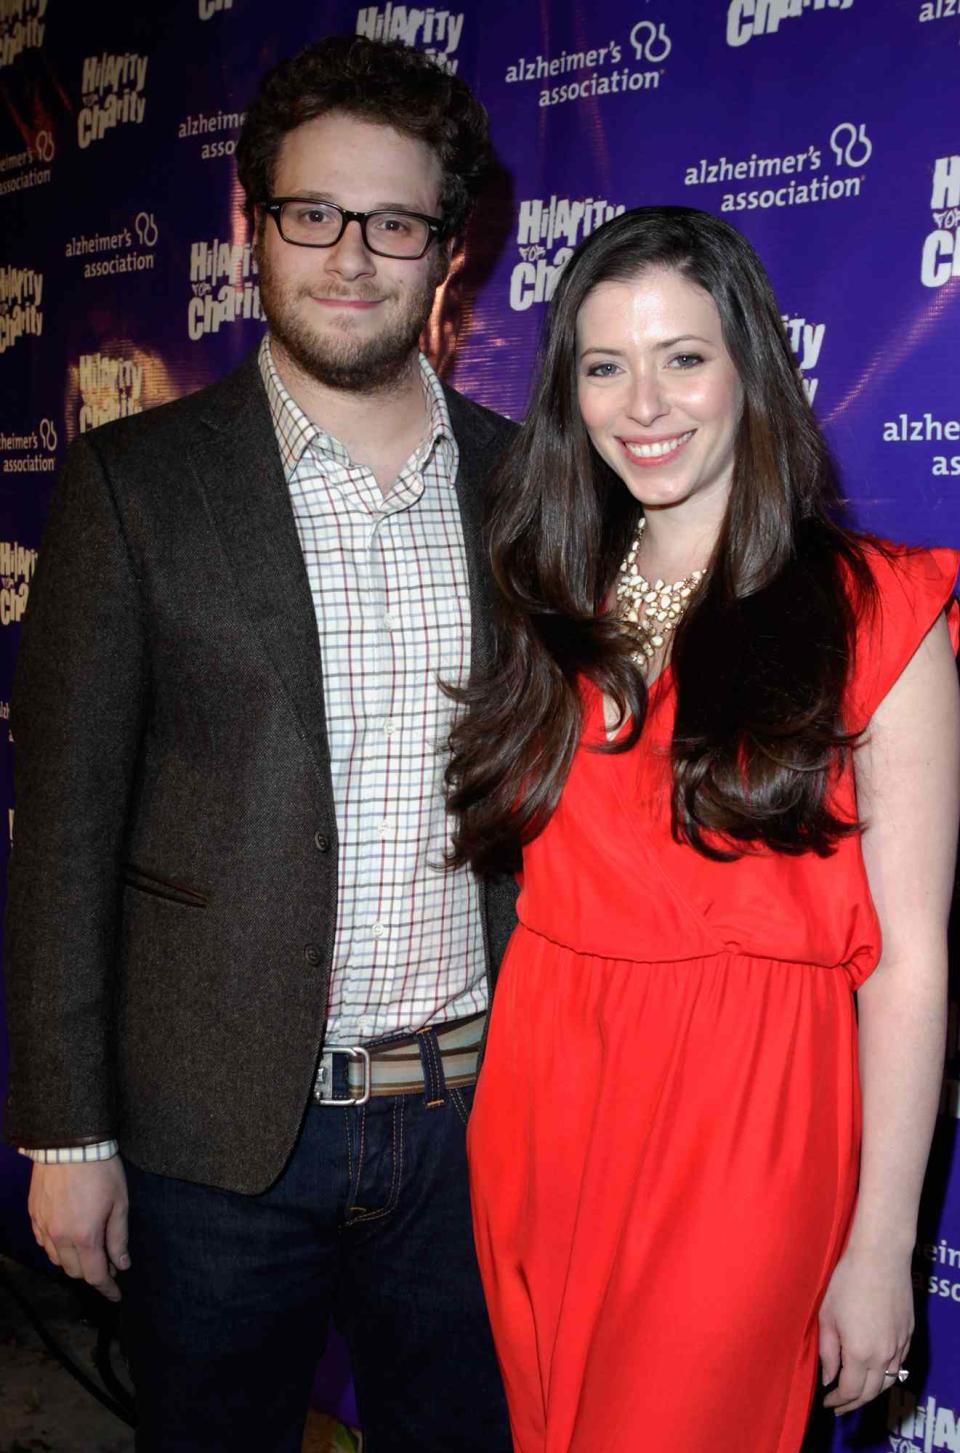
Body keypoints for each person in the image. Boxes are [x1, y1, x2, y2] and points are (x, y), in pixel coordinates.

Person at [4, 35, 515, 1453]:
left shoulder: (533, 491)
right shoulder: (132, 488)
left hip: (483, 1129)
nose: (351, 257)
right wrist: (65, 1133)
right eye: (312, 214)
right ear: (250, 225)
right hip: (213, 1140)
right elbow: (63, 834)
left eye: (394, 222)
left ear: (445, 254)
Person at [445, 205, 960, 1453]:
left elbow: (908, 963)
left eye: (684, 356)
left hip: (748, 1124)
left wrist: (880, 1244)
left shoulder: (875, 609)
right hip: (543, 1097)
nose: (645, 402)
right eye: (605, 365)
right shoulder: (549, 592)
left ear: (751, 371)